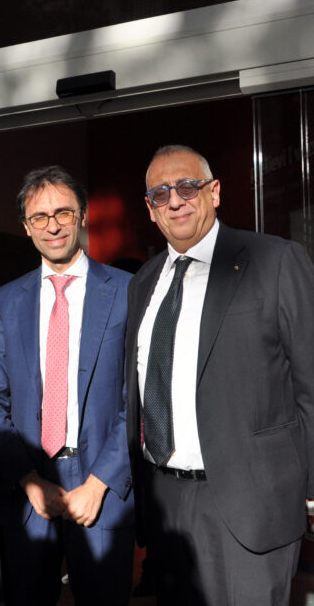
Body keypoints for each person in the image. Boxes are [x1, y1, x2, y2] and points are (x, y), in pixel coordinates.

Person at [126, 144, 314, 605]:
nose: (175, 200)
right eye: (160, 193)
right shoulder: (143, 282)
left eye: (187, 186)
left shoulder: (275, 261)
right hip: (165, 503)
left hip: (252, 505)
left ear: (214, 193)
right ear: (150, 211)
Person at [0, 166, 134, 606]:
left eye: (63, 212)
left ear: (82, 216)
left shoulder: (127, 291)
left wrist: (100, 481)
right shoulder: (5, 302)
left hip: (101, 489)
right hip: (28, 490)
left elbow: (138, 397)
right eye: (39, 217)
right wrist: (27, 480)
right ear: (25, 228)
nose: (52, 225)